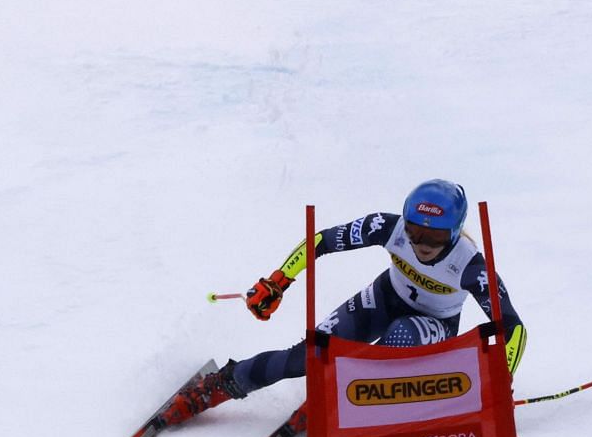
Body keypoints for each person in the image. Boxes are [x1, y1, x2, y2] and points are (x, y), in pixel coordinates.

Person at [162, 179, 527, 424]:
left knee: (400, 336)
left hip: (434, 325)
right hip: (384, 298)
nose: (421, 243)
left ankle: (349, 396)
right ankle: (220, 385)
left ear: (454, 231)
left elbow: (514, 329)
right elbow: (321, 240)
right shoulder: (389, 227)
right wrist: (278, 281)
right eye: (414, 231)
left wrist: (501, 378)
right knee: (309, 356)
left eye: (433, 235)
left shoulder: (470, 265)